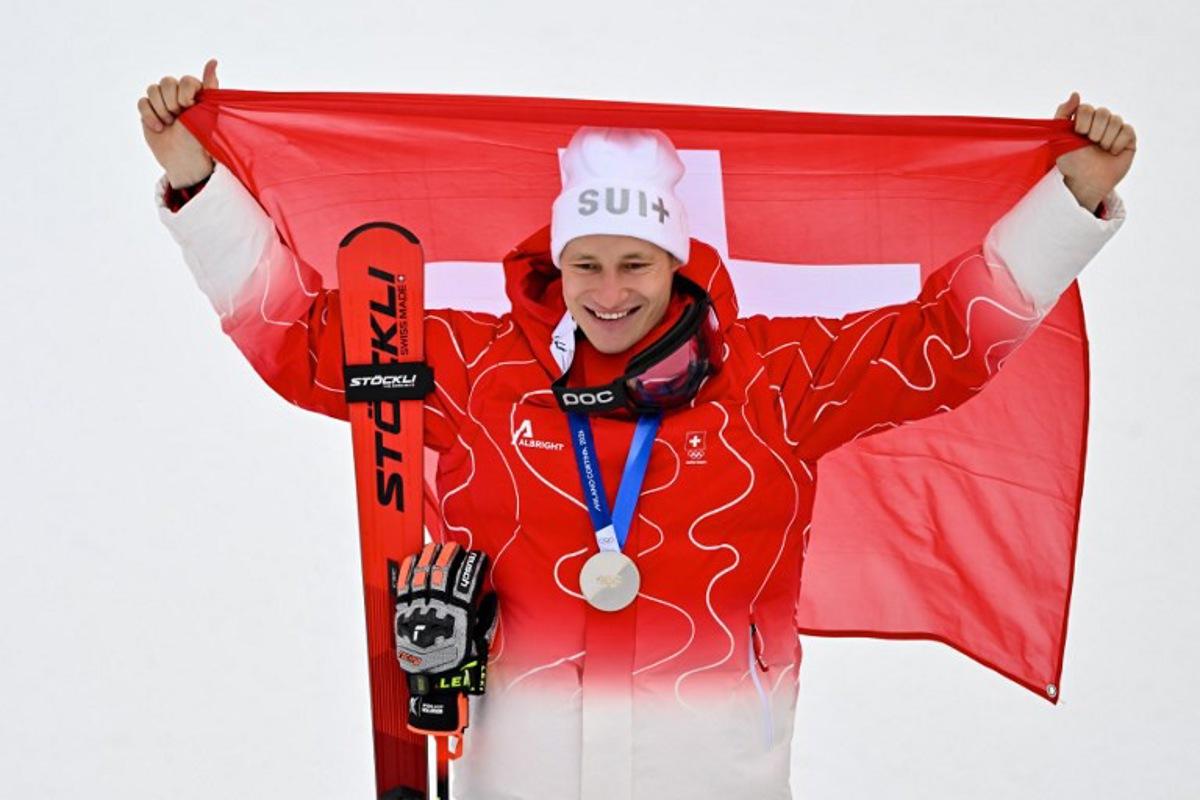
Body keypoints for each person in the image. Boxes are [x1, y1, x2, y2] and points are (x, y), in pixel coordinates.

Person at [141, 60, 1134, 800]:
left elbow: (944, 343)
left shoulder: (776, 379)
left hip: (710, 760)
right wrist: (198, 184)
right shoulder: (479, 369)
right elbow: (304, 344)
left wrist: (1070, 197)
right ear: (556, 260)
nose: (610, 292)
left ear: (679, 262)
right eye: (588, 263)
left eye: (637, 264)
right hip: (515, 760)